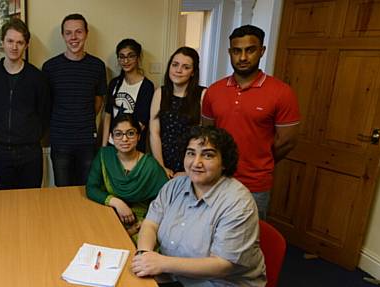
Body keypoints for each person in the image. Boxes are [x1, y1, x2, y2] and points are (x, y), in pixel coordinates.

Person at [131, 126, 266, 287]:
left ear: (225, 162)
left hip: (223, 286)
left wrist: (161, 263)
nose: (196, 162)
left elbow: (223, 265)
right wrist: (143, 253)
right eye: (191, 153)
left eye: (208, 154)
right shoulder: (174, 186)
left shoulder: (238, 202)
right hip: (175, 272)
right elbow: (151, 223)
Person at [202, 25, 300, 219]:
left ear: (262, 51)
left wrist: (261, 160)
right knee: (211, 234)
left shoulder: (281, 92)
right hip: (216, 179)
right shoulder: (214, 90)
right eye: (237, 51)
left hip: (255, 185)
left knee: (251, 240)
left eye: (250, 50)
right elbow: (206, 135)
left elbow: (286, 142)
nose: (243, 57)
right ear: (230, 52)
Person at [0, 18, 50, 190]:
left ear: (26, 45)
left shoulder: (37, 77)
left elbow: (45, 113)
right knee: (6, 205)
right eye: (10, 41)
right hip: (0, 152)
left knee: (32, 203)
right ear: (2, 42)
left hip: (30, 153)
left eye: (20, 42)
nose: (14, 47)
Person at [43, 13, 107, 186]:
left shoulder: (97, 66)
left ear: (86, 34)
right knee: (62, 190)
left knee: (88, 188)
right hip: (60, 139)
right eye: (68, 32)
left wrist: (82, 117)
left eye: (78, 32)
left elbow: (98, 101)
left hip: (87, 139)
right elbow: (46, 104)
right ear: (63, 35)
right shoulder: (50, 67)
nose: (73, 37)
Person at [87, 114, 167, 242]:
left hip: (142, 222)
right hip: (110, 214)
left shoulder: (150, 165)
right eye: (118, 134)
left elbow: (166, 201)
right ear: (112, 137)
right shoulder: (104, 156)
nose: (124, 139)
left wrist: (142, 224)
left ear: (138, 136)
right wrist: (117, 203)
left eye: (130, 133)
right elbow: (91, 188)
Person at [150, 47, 206, 179]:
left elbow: (205, 136)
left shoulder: (202, 94)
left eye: (186, 67)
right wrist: (160, 167)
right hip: (163, 162)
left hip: (192, 165)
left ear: (193, 72)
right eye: (175, 65)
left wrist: (189, 170)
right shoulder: (160, 93)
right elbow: (154, 133)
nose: (178, 70)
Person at [101, 39, 155, 153]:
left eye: (130, 56)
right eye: (121, 56)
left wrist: (124, 142)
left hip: (132, 147)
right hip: (112, 144)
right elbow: (108, 115)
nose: (126, 60)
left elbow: (142, 122)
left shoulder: (147, 86)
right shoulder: (114, 83)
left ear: (138, 58)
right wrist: (104, 146)